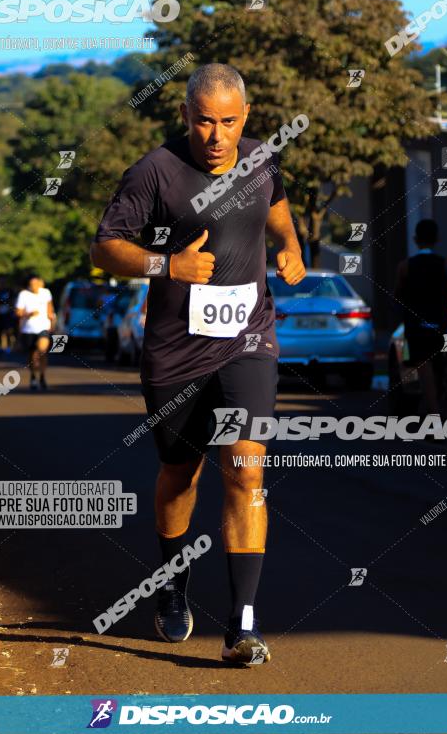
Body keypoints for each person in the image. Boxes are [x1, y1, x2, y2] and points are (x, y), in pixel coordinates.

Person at [91, 63, 306, 665]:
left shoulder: (261, 158)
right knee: (180, 475)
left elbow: (276, 205)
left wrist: (289, 246)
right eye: (205, 121)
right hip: (176, 349)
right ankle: (173, 584)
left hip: (248, 340)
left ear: (246, 118)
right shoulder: (154, 172)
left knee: (245, 470)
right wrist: (166, 266)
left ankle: (242, 626)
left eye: (230, 122)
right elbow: (105, 245)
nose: (217, 136)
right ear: (185, 115)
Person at [395, 219, 447, 413]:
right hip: (438, 326)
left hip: (416, 327)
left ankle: (432, 412)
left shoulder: (405, 266)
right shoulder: (446, 265)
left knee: (424, 369)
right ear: (437, 239)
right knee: (438, 369)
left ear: (415, 239)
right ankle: (433, 411)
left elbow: (397, 296)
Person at [15, 275, 55, 391]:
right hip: (28, 329)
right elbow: (18, 312)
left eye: (35, 284)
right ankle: (33, 376)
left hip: (43, 327)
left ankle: (42, 376)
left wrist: (52, 323)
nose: (34, 287)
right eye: (31, 285)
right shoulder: (24, 295)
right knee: (31, 355)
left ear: (39, 284)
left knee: (42, 350)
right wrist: (28, 314)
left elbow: (50, 308)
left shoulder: (46, 292)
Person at [0, 276, 17, 355]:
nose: (2, 282)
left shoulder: (10, 290)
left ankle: (8, 347)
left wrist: (10, 308)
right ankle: (0, 347)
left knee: (8, 330)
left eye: (3, 280)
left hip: (8, 314)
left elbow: (14, 301)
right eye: (0, 280)